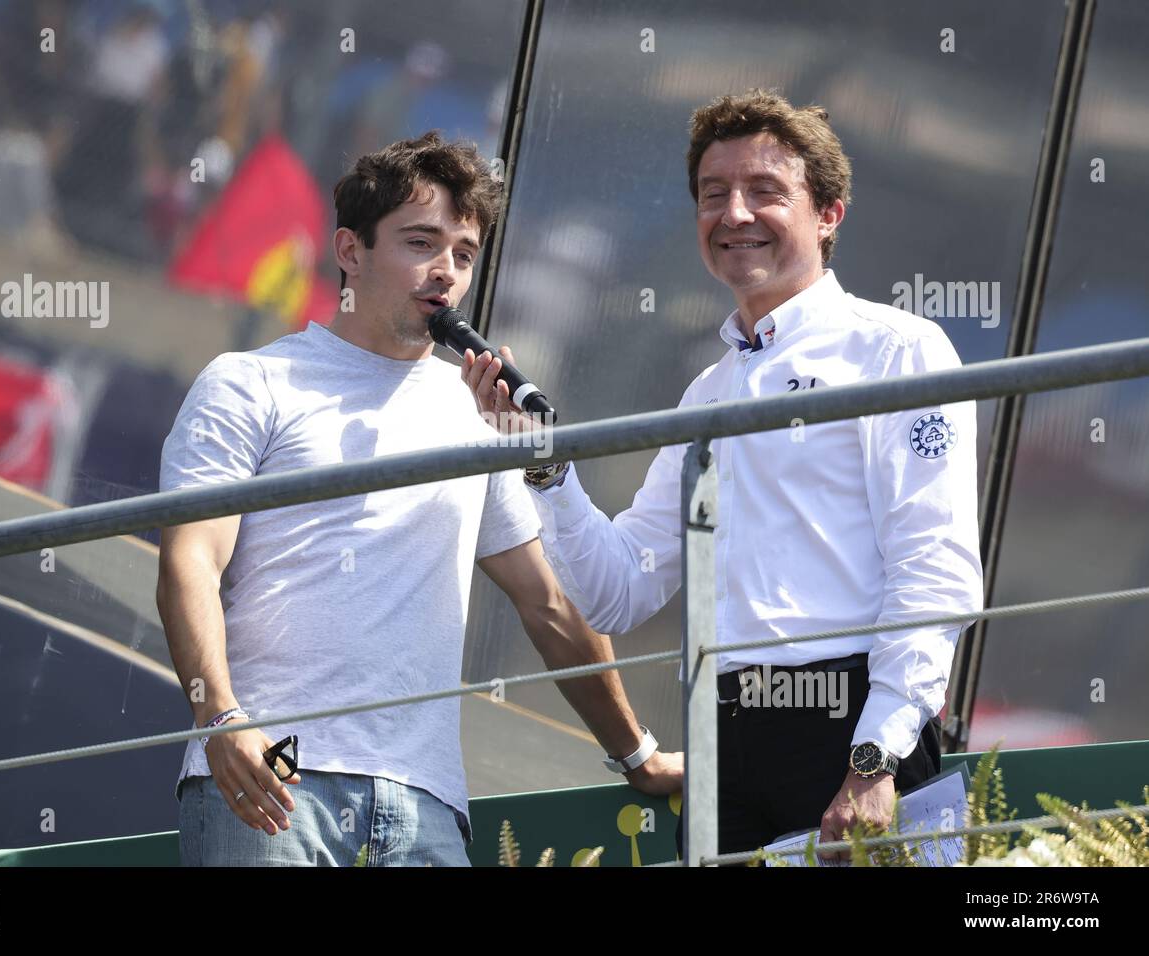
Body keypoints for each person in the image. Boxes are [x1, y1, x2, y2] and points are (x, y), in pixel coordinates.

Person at [462, 89, 983, 860]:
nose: (734, 212)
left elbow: (935, 572)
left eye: (765, 191)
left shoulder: (898, 349)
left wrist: (874, 761)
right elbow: (619, 589)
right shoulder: (708, 391)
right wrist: (545, 462)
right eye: (714, 195)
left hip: (849, 732)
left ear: (830, 213)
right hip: (720, 739)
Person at [156, 131, 682, 867]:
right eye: (420, 242)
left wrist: (639, 754)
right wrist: (221, 717)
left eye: (464, 254)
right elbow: (190, 565)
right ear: (350, 251)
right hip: (275, 765)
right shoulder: (251, 382)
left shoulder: (476, 410)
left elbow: (550, 607)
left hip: (424, 799)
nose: (446, 271)